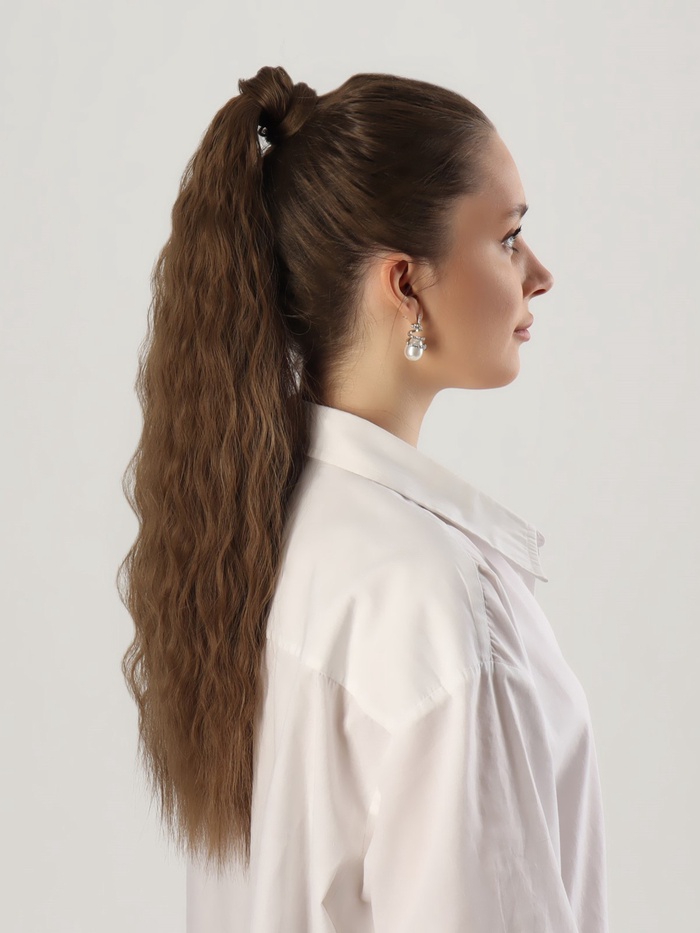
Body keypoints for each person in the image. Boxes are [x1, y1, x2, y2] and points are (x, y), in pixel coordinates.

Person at [117, 65, 609, 932]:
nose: (540, 274)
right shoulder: (436, 599)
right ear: (405, 284)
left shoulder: (254, 537)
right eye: (508, 238)